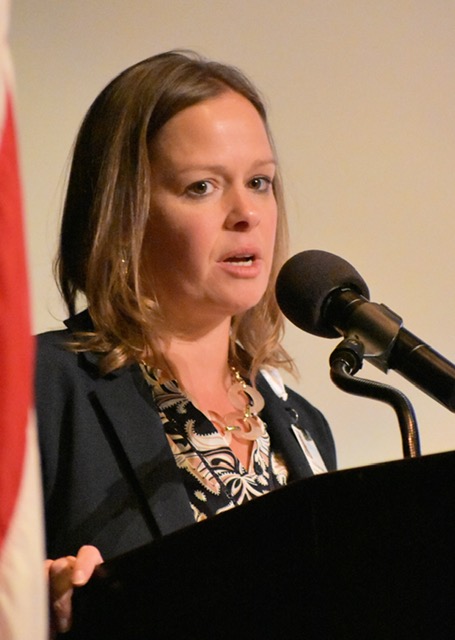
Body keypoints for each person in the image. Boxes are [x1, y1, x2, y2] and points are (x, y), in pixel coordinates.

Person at [36, 50, 336, 636]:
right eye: (202, 186)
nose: (246, 213)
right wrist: (30, 607)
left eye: (259, 182)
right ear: (125, 213)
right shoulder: (37, 387)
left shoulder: (303, 426)